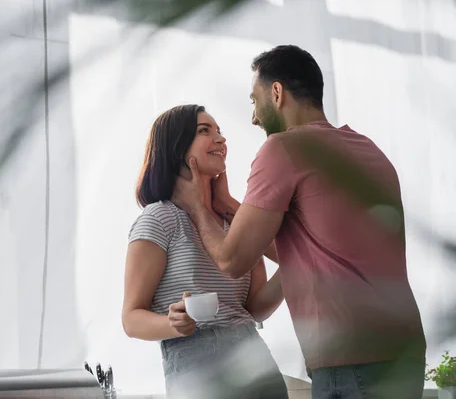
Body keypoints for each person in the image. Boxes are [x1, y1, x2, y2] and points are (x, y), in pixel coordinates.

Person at [172, 45, 427, 399]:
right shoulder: (368, 150)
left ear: (276, 93)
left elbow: (231, 260)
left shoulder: (283, 148)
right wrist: (229, 205)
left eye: (253, 100)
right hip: (405, 354)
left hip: (350, 360)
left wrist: (198, 208)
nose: (253, 118)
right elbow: (316, 247)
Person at [121, 104, 289, 399]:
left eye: (219, 131)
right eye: (204, 131)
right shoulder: (159, 219)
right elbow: (131, 318)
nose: (220, 139)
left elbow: (254, 308)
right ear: (177, 148)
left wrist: (296, 266)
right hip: (196, 363)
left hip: (255, 359)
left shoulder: (232, 222)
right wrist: (173, 324)